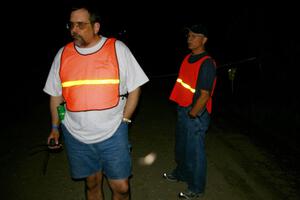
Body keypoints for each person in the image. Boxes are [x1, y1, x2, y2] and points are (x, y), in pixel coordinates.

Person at [43, 4, 149, 200]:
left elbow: (135, 89)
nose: (74, 30)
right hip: (76, 136)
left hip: (113, 133)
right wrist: (56, 126)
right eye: (71, 25)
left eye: (81, 25)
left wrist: (125, 121)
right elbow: (56, 95)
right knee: (92, 184)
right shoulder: (63, 54)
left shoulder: (117, 49)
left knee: (122, 187)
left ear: (96, 27)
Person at [163, 24, 217, 199]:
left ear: (204, 40)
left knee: (195, 153)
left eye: (195, 36)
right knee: (181, 147)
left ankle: (196, 188)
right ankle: (181, 173)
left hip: (195, 114)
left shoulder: (207, 63)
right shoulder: (187, 58)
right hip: (183, 109)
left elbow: (205, 95)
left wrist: (193, 113)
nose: (190, 38)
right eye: (189, 35)